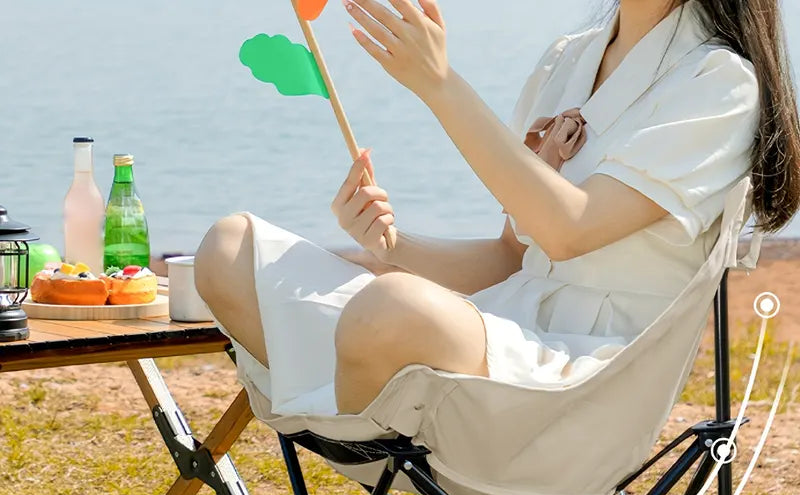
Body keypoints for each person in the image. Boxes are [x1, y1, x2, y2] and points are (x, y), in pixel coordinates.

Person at [195, 0, 800, 421]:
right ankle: (352, 404)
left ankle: (343, 403)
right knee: (232, 250)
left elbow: (569, 230)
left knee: (390, 308)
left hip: (588, 379)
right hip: (499, 330)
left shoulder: (718, 82)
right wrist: (394, 247)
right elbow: (516, 257)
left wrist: (439, 84)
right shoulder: (569, 59)